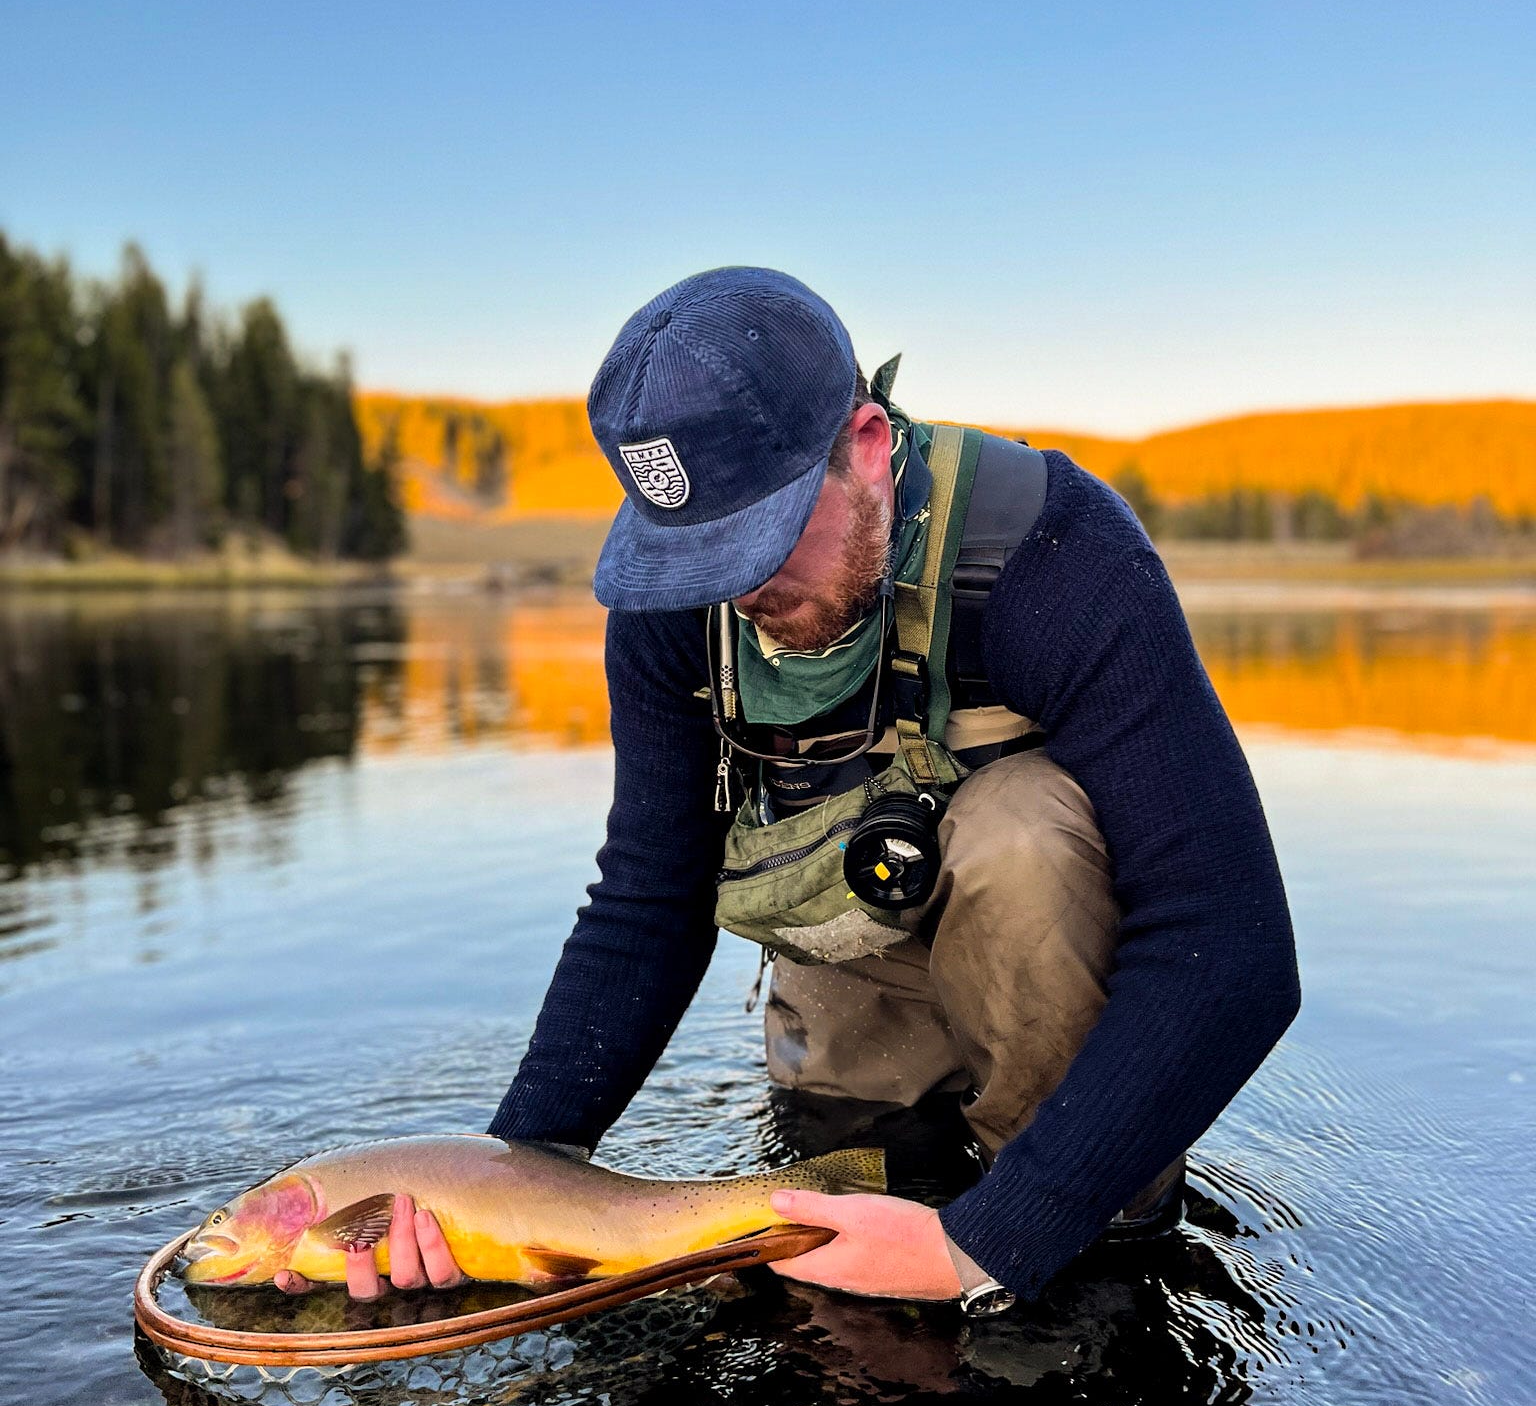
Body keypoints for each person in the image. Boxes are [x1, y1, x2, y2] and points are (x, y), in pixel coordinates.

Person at [278, 267, 1300, 1310]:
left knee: (1022, 834)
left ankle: (1085, 1223)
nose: (730, 585)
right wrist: (513, 1180)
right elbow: (649, 897)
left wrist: (981, 1245)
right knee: (842, 1253)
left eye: (756, 539)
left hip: (1048, 960)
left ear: (863, 444)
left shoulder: (1059, 554)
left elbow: (1232, 944)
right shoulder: (674, 594)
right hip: (855, 969)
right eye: (694, 552)